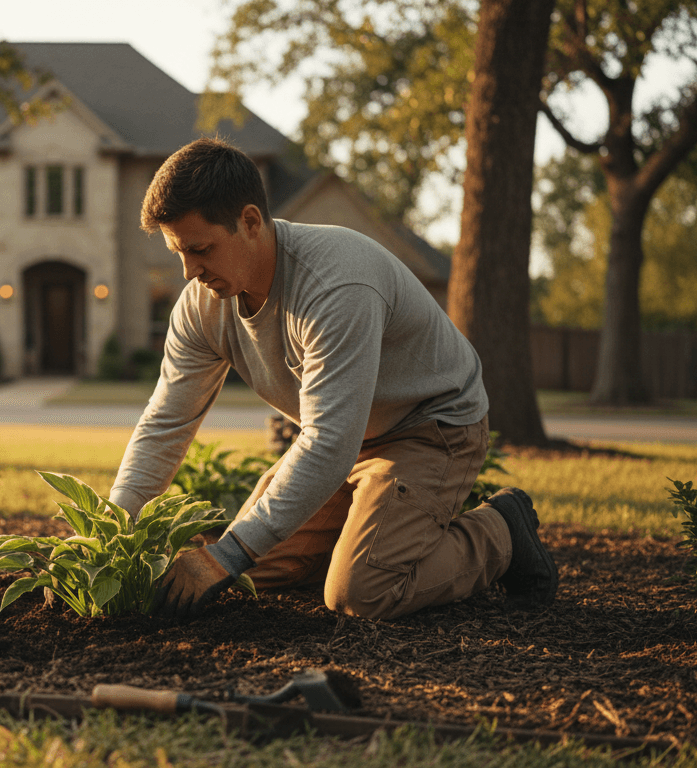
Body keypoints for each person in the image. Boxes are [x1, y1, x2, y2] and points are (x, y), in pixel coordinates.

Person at [106, 137, 558, 620]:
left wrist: (228, 553)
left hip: (431, 429)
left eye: (200, 250)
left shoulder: (336, 283)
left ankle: (501, 531)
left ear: (251, 222)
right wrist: (107, 535)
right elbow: (165, 423)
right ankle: (368, 533)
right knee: (249, 575)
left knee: (358, 593)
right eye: (179, 253)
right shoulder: (203, 305)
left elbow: (329, 439)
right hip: (345, 439)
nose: (189, 273)